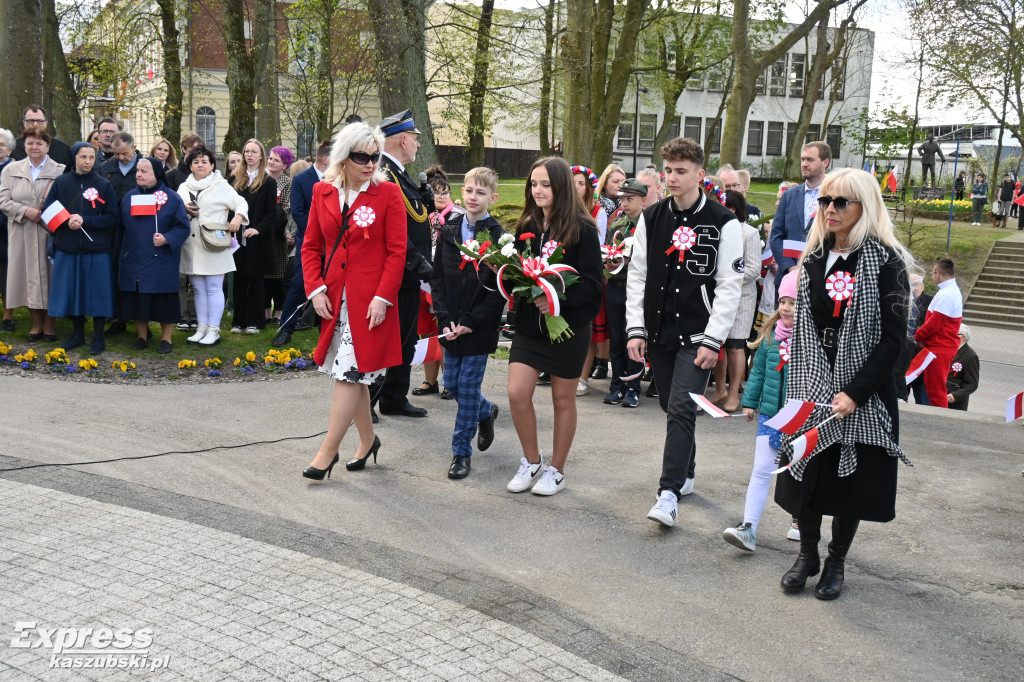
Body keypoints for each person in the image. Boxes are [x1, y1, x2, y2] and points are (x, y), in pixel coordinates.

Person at [775, 167, 914, 601]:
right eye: (825, 201)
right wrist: (811, 385)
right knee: (809, 477)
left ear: (864, 207)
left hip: (863, 392)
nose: (829, 209)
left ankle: (836, 561)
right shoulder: (814, 258)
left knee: (847, 483)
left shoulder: (887, 262)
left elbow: (893, 342)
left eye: (841, 202)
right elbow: (805, 331)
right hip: (812, 385)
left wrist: (854, 392)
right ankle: (808, 555)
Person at [626, 136, 744, 527]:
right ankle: (687, 469)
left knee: (680, 408)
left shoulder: (723, 222)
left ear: (699, 174)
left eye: (681, 171)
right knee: (670, 406)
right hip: (658, 331)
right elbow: (637, 275)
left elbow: (729, 284)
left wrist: (714, 339)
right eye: (668, 171)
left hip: (697, 335)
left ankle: (668, 493)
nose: (672, 178)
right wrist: (635, 329)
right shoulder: (651, 217)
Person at [300, 121, 406, 481]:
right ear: (344, 157)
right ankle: (369, 440)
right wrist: (315, 289)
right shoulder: (322, 192)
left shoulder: (388, 194)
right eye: (361, 156)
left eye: (375, 157)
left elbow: (397, 253)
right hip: (334, 300)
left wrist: (382, 297)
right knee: (354, 373)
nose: (370, 164)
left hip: (371, 303)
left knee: (346, 373)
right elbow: (311, 246)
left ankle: (327, 452)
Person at [503, 156, 603, 496]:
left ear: (560, 186)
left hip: (570, 326)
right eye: (534, 184)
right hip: (531, 326)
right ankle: (532, 460)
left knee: (563, 398)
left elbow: (592, 284)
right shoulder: (527, 224)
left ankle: (556, 470)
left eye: (546, 184)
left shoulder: (583, 229)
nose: (538, 190)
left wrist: (557, 297)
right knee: (517, 393)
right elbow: (518, 270)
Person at [430, 166, 504, 479]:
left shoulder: (497, 236)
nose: (474, 197)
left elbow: (501, 288)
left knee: (469, 386)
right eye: (470, 190)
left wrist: (473, 321)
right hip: (450, 324)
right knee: (452, 384)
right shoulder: (449, 230)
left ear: (493, 197)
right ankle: (485, 412)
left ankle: (461, 452)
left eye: (481, 192)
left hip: (478, 326)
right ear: (463, 192)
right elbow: (437, 279)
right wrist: (445, 318)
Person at [723, 270, 799, 552]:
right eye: (783, 302)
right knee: (761, 471)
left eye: (794, 302)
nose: (787, 308)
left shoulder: (810, 341)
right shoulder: (769, 338)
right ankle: (749, 527)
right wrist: (750, 402)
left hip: (800, 418)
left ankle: (800, 521)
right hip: (769, 415)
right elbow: (756, 375)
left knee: (796, 472)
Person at [375, 109, 434, 419]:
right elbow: (388, 227)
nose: (417, 145)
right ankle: (367, 400)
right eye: (414, 138)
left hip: (408, 273)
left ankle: (394, 397)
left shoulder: (399, 173)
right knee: (387, 339)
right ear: (401, 139)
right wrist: (416, 260)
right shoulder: (383, 174)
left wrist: (424, 199)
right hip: (396, 272)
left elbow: (411, 218)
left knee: (405, 338)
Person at [43, 142, 118, 353]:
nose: (87, 161)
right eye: (83, 157)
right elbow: (48, 213)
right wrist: (67, 222)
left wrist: (86, 221)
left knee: (98, 293)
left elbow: (113, 217)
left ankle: (98, 337)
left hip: (97, 249)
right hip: (68, 248)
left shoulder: (103, 185)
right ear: (74, 158)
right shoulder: (61, 183)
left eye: (91, 157)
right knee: (73, 292)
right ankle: (77, 335)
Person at [177, 146, 248, 346]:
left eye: (204, 161)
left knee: (214, 287)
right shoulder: (184, 187)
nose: (200, 165)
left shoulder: (221, 185)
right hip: (191, 244)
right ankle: (202, 327)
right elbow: (174, 208)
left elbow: (241, 203)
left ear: (212, 165)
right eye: (196, 162)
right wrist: (183, 208)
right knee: (198, 288)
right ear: (190, 165)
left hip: (214, 243)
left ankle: (214, 330)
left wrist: (238, 218)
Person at [118, 158, 190, 352]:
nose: (138, 174)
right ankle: (142, 337)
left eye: (144, 171)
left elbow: (183, 226)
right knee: (137, 300)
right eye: (137, 171)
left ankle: (166, 339)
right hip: (134, 258)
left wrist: (166, 238)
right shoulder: (129, 197)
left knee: (164, 302)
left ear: (156, 174)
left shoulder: (172, 198)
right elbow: (122, 229)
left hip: (161, 259)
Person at [0, 126, 65, 341]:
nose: (34, 147)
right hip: (21, 231)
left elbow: (66, 201)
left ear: (47, 146)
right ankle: (36, 325)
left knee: (50, 278)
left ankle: (50, 325)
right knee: (28, 278)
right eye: (30, 143)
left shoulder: (60, 170)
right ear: (24, 146)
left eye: (39, 143)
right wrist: (25, 211)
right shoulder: (11, 170)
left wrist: (48, 216)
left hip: (50, 233)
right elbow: (3, 201)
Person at [273, 139, 331, 347]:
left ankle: (325, 332)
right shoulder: (302, 180)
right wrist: (320, 234)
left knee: (329, 288)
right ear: (326, 159)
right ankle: (286, 328)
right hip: (309, 244)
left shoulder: (337, 179)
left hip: (333, 247)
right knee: (299, 286)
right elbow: (298, 212)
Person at [413, 165, 462, 400]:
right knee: (427, 331)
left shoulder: (458, 216)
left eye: (445, 192)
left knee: (445, 330)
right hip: (424, 280)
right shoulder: (422, 215)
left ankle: (448, 381)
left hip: (447, 282)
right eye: (437, 192)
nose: (441, 196)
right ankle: (430, 380)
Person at [709, 190, 761, 413]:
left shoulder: (748, 233)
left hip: (742, 298)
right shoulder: (715, 230)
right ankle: (720, 389)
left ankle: (733, 393)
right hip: (718, 296)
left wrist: (726, 277)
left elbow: (753, 268)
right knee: (717, 344)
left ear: (731, 209)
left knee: (735, 346)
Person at [602, 178, 647, 408]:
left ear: (643, 200)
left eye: (630, 199)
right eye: (622, 199)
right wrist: (609, 265)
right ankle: (617, 384)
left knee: (634, 338)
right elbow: (608, 253)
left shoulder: (648, 227)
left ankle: (633, 387)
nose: (625, 203)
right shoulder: (617, 225)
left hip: (637, 291)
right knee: (617, 339)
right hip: (616, 288)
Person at [227, 139, 278, 334]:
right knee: (239, 278)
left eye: (253, 151)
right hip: (237, 236)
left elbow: (271, 213)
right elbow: (229, 207)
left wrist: (258, 229)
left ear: (261, 156)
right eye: (246, 151)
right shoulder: (235, 179)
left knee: (256, 280)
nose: (249, 155)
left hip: (258, 238)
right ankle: (238, 321)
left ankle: (255, 321)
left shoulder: (268, 182)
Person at [583, 164, 624, 390]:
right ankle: (594, 361)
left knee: (605, 317)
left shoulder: (622, 206)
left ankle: (602, 360)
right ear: (605, 183)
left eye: (622, 181)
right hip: (603, 257)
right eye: (614, 181)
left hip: (608, 259)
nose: (618, 186)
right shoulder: (603, 206)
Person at [770, 141, 831, 293]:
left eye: (810, 160)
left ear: (825, 162)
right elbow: (776, 235)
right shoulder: (789, 196)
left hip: (820, 279)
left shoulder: (834, 196)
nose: (804, 164)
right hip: (788, 279)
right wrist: (790, 268)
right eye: (803, 159)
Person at [167, 132, 204, 332]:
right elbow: (166, 203)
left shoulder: (205, 173)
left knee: (196, 275)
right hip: (179, 231)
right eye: (192, 149)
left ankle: (195, 314)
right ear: (183, 149)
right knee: (181, 277)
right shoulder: (172, 175)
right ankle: (182, 315)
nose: (196, 154)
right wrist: (182, 208)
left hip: (200, 232)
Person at [913, 256, 962, 408]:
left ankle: (941, 421)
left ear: (937, 273)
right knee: (933, 387)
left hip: (940, 348)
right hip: (938, 346)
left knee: (936, 390)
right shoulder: (949, 291)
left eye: (933, 273)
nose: (932, 277)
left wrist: (917, 336)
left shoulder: (947, 294)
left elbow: (935, 323)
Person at [265, 145, 295, 326]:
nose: (271, 162)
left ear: (284, 165)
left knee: (278, 276)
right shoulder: (262, 180)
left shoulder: (287, 183)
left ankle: (278, 313)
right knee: (264, 276)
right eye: (270, 158)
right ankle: (265, 311)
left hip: (278, 235)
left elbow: (286, 208)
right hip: (263, 234)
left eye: (276, 160)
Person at [10, 105, 71, 170]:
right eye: (31, 121)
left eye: (39, 121)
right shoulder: (13, 148)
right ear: (24, 123)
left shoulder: (62, 148)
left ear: (46, 123)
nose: (35, 124)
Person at [99, 131, 143, 202]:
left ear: (134, 148)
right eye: (116, 154)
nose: (121, 157)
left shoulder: (146, 167)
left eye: (125, 153)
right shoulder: (104, 168)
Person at [0, 127, 15, 332]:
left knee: (7, 274)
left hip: (6, 227)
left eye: (2, 145)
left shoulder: (13, 169)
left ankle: (8, 315)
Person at [946, 323, 979, 411]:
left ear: (963, 337)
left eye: (954, 333)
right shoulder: (948, 348)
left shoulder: (970, 356)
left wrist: (955, 395)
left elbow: (972, 384)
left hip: (955, 402)